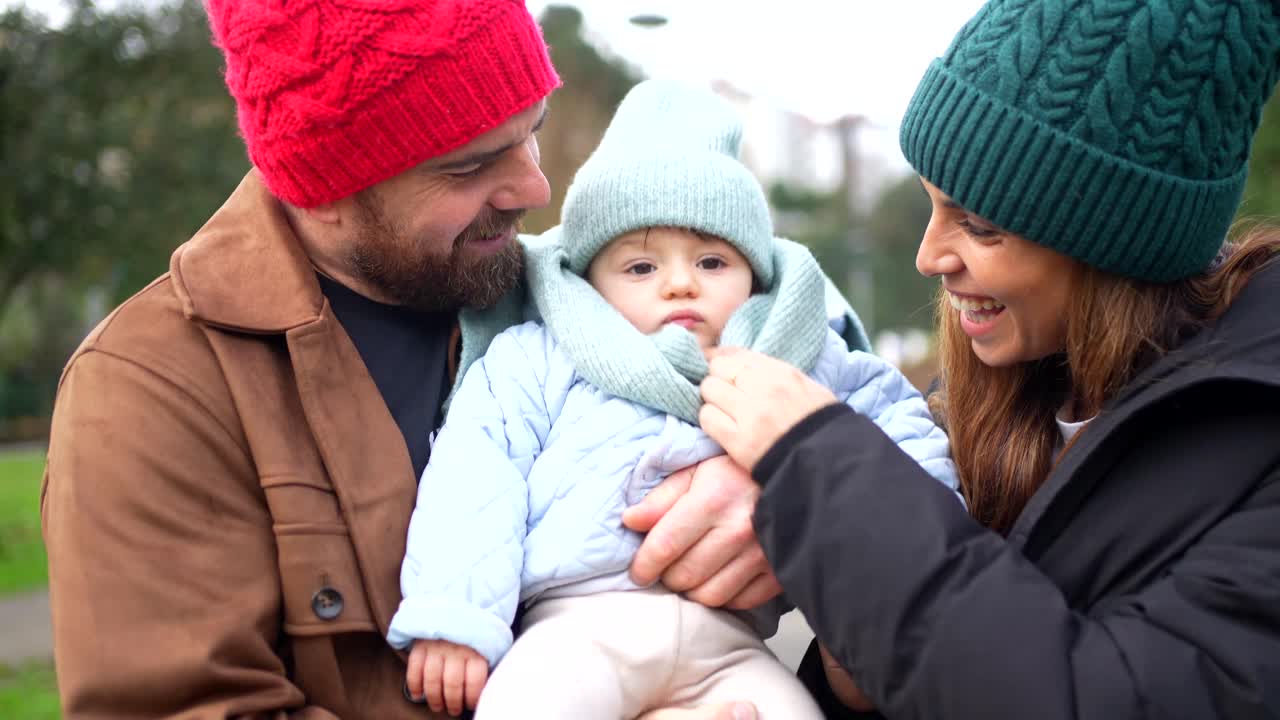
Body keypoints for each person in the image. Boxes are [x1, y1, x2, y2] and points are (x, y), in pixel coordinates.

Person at [39, 2, 770, 718]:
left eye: (532, 133)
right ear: (323, 189)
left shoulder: (586, 299)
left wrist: (784, 496)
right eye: (471, 166)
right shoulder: (151, 390)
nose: (533, 189)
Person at [687, 0, 1280, 717]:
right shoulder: (992, 390)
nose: (929, 255)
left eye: (981, 226)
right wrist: (848, 683)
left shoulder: (1258, 450)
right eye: (931, 204)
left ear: (1116, 243)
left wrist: (815, 467)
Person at [386, 79, 960, 719]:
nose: (681, 283)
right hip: (574, 634)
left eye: (713, 262)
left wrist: (923, 546)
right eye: (640, 268)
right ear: (589, 283)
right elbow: (476, 475)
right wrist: (456, 614)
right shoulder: (539, 357)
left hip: (733, 647)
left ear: (755, 271)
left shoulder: (802, 357)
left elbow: (900, 433)